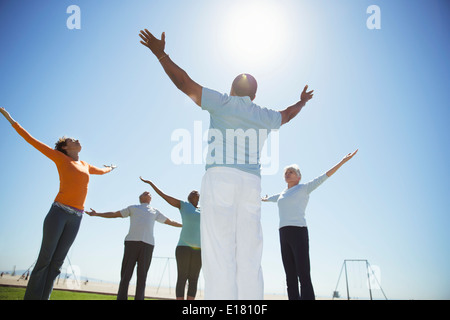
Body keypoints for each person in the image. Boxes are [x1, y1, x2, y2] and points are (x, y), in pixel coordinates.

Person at [139, 29, 314, 300]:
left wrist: (161, 54)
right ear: (254, 96)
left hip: (220, 178)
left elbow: (184, 82)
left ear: (232, 89)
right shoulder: (264, 115)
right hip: (251, 184)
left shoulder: (222, 102)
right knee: (249, 252)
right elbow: (288, 115)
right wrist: (301, 102)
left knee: (219, 250)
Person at [0, 107, 115, 300]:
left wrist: (110, 167)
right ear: (65, 147)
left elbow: (101, 171)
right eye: (72, 140)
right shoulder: (59, 158)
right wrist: (8, 116)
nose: (77, 140)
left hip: (76, 217)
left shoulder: (85, 165)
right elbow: (30, 139)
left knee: (57, 263)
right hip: (59, 213)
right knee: (45, 259)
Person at [262, 149, 358, 300]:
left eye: (291, 172)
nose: (287, 174)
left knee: (303, 274)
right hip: (283, 233)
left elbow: (324, 176)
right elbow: (272, 198)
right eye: (286, 172)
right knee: (290, 275)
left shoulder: (304, 188)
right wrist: (265, 199)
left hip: (298, 232)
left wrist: (343, 161)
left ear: (298, 177)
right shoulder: (281, 195)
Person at [86, 189, 182, 300]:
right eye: (144, 193)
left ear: (151, 199)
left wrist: (184, 225)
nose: (147, 192)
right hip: (131, 243)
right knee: (126, 275)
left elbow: (169, 221)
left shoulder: (155, 211)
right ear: (140, 198)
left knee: (142, 277)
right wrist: (97, 214)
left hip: (148, 245)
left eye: (149, 193)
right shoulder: (133, 208)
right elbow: (115, 214)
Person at [140, 177, 201, 300]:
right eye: (192, 192)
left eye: (197, 192)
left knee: (194, 278)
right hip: (183, 247)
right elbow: (164, 196)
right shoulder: (183, 205)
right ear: (189, 197)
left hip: (199, 249)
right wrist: (151, 183)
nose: (195, 191)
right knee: (182, 277)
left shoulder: (204, 209)